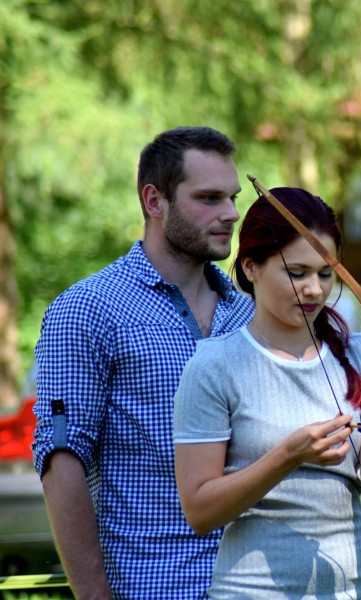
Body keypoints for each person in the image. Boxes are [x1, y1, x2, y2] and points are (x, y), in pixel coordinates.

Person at [172, 187, 361, 598]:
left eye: (325, 273)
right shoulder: (214, 366)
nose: (314, 289)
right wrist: (288, 456)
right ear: (252, 267)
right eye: (296, 273)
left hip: (356, 589)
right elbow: (200, 511)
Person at [32, 126, 254, 599]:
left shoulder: (250, 313)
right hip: (156, 586)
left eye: (232, 198)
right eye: (209, 198)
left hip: (260, 586)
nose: (231, 213)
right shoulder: (87, 310)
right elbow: (61, 460)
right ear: (155, 201)